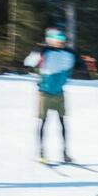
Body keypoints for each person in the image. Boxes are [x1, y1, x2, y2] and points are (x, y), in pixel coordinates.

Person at [24, 27, 78, 163]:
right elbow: (28, 63)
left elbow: (78, 65)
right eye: (58, 39)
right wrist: (38, 50)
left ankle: (65, 154)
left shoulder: (68, 54)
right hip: (45, 93)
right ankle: (41, 153)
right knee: (43, 122)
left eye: (63, 39)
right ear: (51, 40)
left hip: (59, 93)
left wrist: (87, 62)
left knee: (62, 123)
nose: (61, 41)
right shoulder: (45, 52)